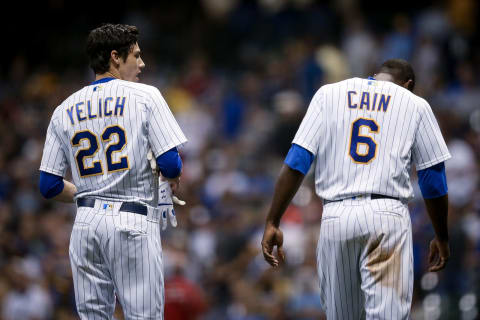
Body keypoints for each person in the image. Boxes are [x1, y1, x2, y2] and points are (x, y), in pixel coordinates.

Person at [261, 59, 450, 319]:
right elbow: (432, 179)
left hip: (337, 215)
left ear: (375, 76)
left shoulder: (329, 94)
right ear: (408, 85)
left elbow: (297, 162)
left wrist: (273, 219)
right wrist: (441, 236)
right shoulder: (415, 104)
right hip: (388, 216)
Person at [38, 23, 187, 319]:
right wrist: (167, 175)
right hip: (133, 220)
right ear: (116, 57)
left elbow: (49, 185)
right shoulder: (146, 96)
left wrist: (93, 192)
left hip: (86, 224)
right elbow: (172, 164)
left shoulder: (63, 109)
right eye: (136, 55)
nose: (142, 63)